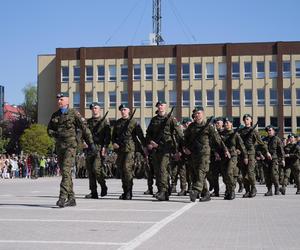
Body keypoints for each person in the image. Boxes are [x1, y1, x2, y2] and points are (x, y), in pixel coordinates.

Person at [47, 93, 96, 208]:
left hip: (70, 146)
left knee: (65, 170)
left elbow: (84, 128)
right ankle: (72, 198)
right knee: (66, 173)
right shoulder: (55, 115)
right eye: (58, 99)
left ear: (67, 101)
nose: (59, 101)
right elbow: (49, 130)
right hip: (60, 147)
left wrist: (91, 143)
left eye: (61, 99)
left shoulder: (74, 113)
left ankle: (62, 197)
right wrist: (55, 133)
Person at [183, 107, 230, 202]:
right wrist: (185, 148)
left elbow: (218, 140)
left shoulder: (209, 126)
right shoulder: (191, 126)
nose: (197, 115)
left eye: (199, 113)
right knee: (198, 174)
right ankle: (206, 193)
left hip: (204, 154)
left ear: (203, 114)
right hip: (193, 154)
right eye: (195, 113)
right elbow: (185, 138)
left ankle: (195, 190)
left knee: (201, 172)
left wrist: (225, 150)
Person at [146, 101, 184, 201]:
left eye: (162, 105)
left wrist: (182, 147)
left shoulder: (171, 119)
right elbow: (148, 133)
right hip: (155, 149)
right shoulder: (154, 120)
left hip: (166, 148)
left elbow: (179, 133)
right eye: (159, 106)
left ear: (165, 107)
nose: (160, 107)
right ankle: (162, 191)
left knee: (163, 169)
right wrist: (150, 142)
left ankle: (163, 191)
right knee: (158, 170)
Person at [112, 104, 146, 200]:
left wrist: (145, 147)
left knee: (127, 169)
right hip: (120, 150)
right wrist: (114, 143)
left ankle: (129, 192)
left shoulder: (134, 122)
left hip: (130, 148)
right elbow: (113, 136)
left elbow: (140, 136)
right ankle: (125, 191)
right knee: (122, 170)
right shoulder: (118, 123)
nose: (123, 111)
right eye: (122, 110)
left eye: (125, 109)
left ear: (129, 111)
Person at [239, 114, 269, 198]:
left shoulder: (254, 131)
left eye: (248, 119)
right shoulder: (241, 131)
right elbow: (238, 142)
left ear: (251, 120)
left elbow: (261, 143)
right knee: (244, 173)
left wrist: (267, 152)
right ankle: (247, 190)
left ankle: (253, 188)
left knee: (250, 172)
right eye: (244, 119)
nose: (246, 120)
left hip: (251, 153)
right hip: (242, 153)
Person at [85, 102, 111, 199]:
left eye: (96, 108)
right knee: (90, 171)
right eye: (92, 108)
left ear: (99, 109)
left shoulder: (104, 121)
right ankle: (93, 192)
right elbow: (84, 134)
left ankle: (103, 186)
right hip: (89, 148)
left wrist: (105, 147)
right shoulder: (88, 122)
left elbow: (108, 136)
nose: (94, 110)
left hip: (99, 148)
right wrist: (83, 142)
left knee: (96, 169)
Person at [220, 117, 248, 200]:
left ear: (231, 124)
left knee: (229, 172)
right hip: (223, 157)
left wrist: (245, 156)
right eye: (225, 123)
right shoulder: (221, 134)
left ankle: (232, 191)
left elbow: (242, 146)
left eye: (228, 122)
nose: (226, 124)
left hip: (233, 156)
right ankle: (228, 190)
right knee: (225, 177)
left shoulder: (235, 134)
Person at [263, 125, 285, 196]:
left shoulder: (277, 139)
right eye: (268, 130)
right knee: (267, 175)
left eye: (270, 130)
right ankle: (269, 190)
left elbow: (281, 150)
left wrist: (283, 159)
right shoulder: (264, 139)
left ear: (273, 131)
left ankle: (277, 187)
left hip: (274, 159)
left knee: (273, 173)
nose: (268, 132)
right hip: (266, 159)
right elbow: (260, 148)